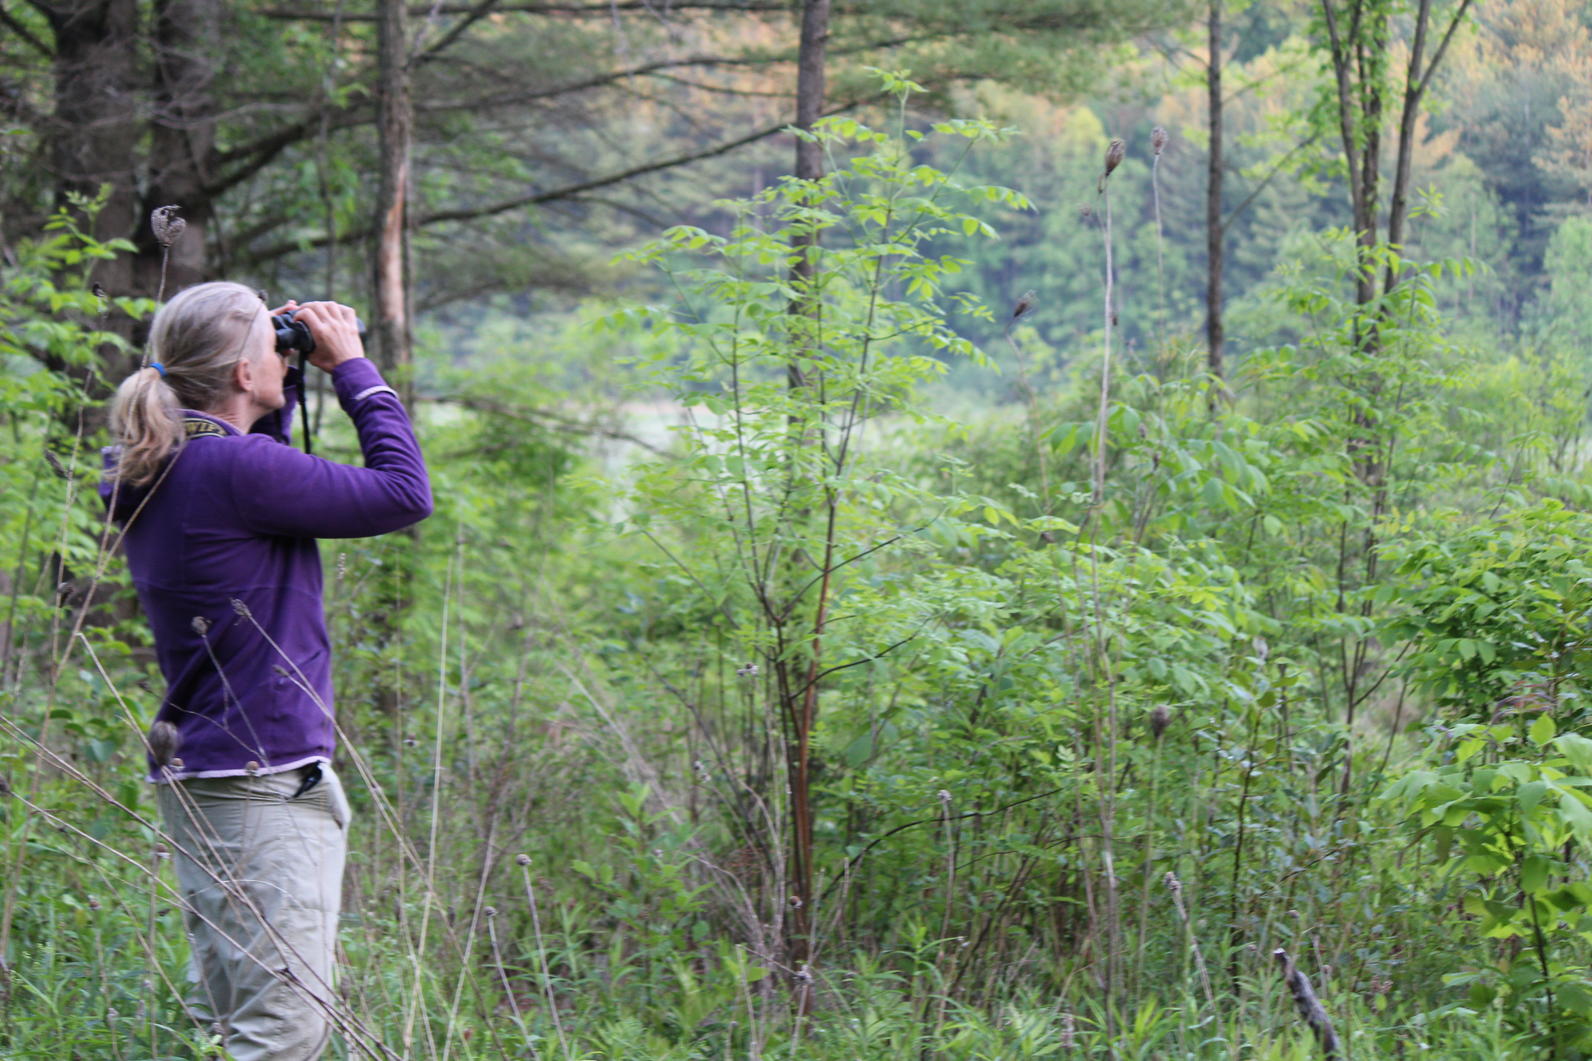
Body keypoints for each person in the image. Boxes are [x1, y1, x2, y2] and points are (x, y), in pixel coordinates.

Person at [100, 281, 432, 1060]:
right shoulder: (233, 472)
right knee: (283, 1030)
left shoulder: (162, 465)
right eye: (269, 353)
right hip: (261, 780)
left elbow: (253, 465)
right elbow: (403, 493)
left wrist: (271, 375)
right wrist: (353, 369)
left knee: (233, 1023)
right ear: (245, 374)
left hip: (208, 774)